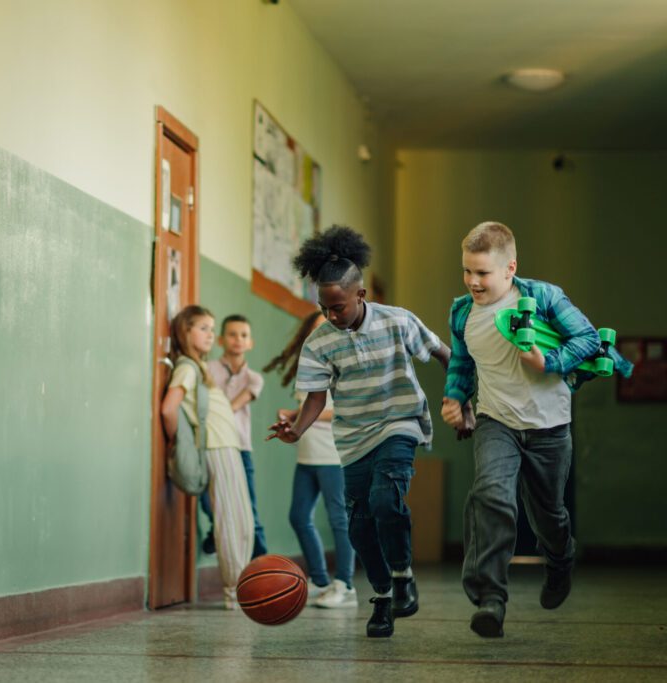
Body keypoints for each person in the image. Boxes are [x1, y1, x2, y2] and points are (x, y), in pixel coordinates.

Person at [440, 221, 632, 638]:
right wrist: (455, 398)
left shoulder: (543, 297)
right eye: (467, 271)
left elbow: (587, 339)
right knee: (490, 494)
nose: (473, 281)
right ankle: (490, 598)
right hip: (497, 421)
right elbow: (462, 362)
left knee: (548, 516)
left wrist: (550, 362)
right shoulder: (461, 312)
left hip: (549, 427)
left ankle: (561, 560)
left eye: (483, 273)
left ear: (510, 268)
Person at [267, 225, 455, 638]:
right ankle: (383, 597)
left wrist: (462, 398)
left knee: (386, 499)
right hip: (352, 438)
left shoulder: (398, 321)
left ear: (361, 295)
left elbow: (444, 353)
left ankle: (403, 574)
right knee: (359, 525)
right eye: (324, 308)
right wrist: (297, 430)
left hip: (399, 423)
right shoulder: (319, 342)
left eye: (338, 307)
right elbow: (315, 397)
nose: (332, 316)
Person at [161, 305, 255, 610]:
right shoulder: (187, 367)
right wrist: (179, 441)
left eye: (211, 329)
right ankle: (234, 592)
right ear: (185, 331)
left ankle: (242, 584)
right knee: (229, 521)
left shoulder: (199, 367)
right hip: (216, 447)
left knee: (242, 521)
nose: (209, 334)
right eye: (203, 327)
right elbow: (168, 409)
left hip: (230, 446)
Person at [264, 311, 357, 609]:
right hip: (307, 455)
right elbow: (307, 407)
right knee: (298, 516)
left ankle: (344, 584)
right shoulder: (308, 367)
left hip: (332, 454)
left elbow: (343, 409)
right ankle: (320, 582)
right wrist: (291, 416)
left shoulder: (344, 365)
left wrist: (304, 414)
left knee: (339, 519)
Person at [199, 314, 268, 559]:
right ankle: (216, 531)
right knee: (208, 499)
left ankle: (262, 565)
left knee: (248, 508)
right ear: (220, 340)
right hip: (213, 446)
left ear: (250, 343)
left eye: (244, 335)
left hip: (240, 448)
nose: (238, 339)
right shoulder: (207, 370)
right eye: (232, 334)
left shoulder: (254, 379)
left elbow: (231, 407)